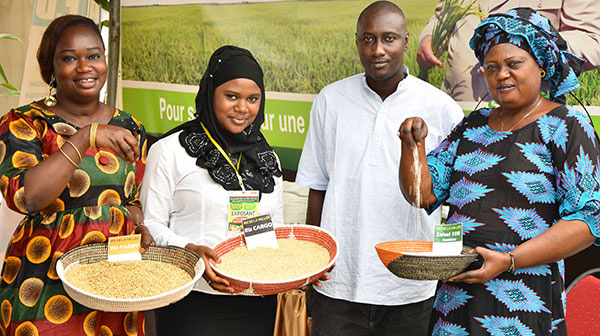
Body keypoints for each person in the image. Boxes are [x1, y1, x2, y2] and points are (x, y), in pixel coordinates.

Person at [399, 8, 600, 335]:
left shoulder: (566, 125)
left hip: (523, 300)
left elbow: (587, 221)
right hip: (456, 297)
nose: (501, 75)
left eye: (513, 64)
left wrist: (509, 261)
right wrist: (412, 146)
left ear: (542, 65)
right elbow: (423, 194)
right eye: (491, 68)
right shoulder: (471, 126)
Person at [296, 2, 464, 335]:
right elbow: (318, 187)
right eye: (367, 39)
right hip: (339, 282)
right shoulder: (330, 100)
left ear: (405, 40)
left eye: (388, 38)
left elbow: (456, 200)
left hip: (412, 286)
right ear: (356, 41)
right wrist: (314, 263)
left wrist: (447, 262)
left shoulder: (441, 108)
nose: (377, 50)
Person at [0, 15, 154, 335]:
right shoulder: (24, 122)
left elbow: (134, 199)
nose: (85, 67)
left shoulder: (130, 126)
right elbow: (28, 197)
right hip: (45, 277)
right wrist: (86, 136)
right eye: (69, 58)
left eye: (94, 55)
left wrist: (138, 224)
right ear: (50, 68)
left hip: (116, 278)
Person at [140, 45, 290, 335]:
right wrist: (189, 252)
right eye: (231, 96)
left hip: (256, 299)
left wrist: (295, 265)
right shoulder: (170, 151)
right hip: (191, 298)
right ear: (211, 93)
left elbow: (274, 227)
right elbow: (151, 225)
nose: (242, 108)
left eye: (252, 99)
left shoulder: (267, 158)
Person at [417, 0, 600, 102]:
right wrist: (428, 38)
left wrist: (530, 40)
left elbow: (592, 39)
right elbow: (446, 14)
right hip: (458, 104)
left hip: (524, 111)